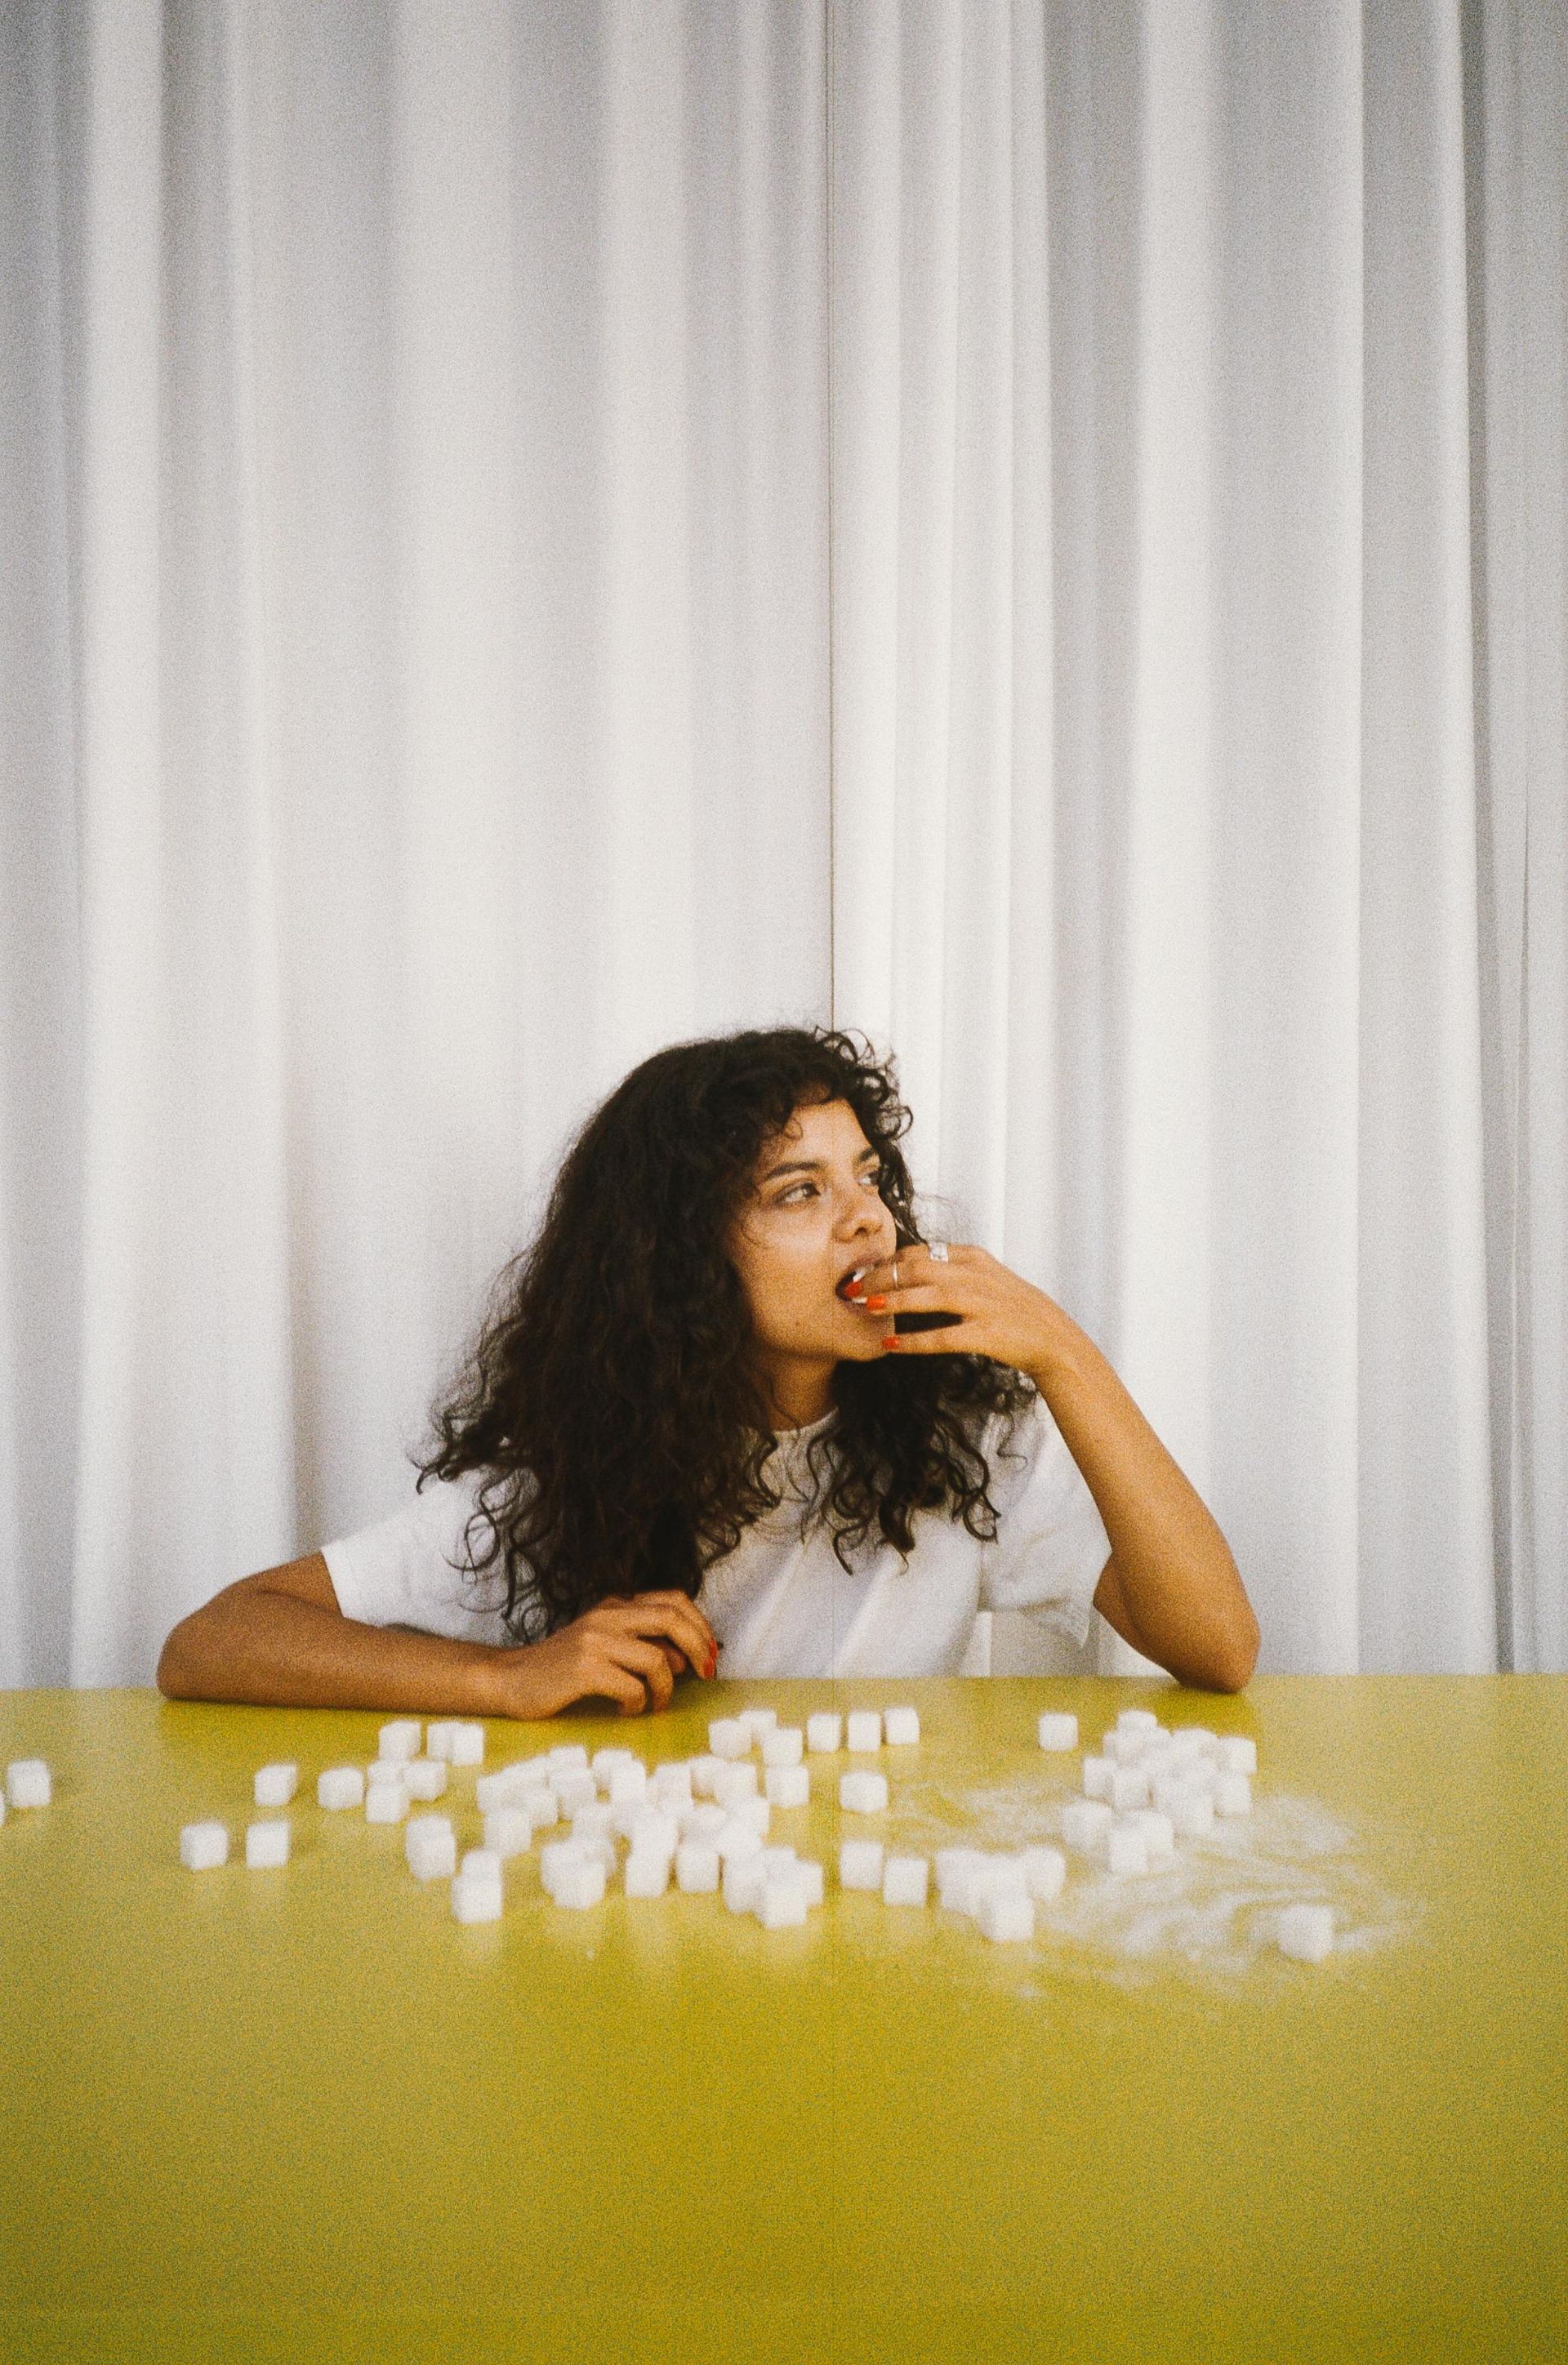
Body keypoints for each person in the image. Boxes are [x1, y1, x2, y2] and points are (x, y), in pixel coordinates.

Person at [158, 1025, 1259, 1719]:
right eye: (800, 1191)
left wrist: (1067, 1356)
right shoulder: (564, 1483)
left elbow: (1218, 1649)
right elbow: (209, 1642)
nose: (871, 1217)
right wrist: (507, 1679)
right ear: (683, 1255)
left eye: (867, 1177)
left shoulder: (966, 1445)